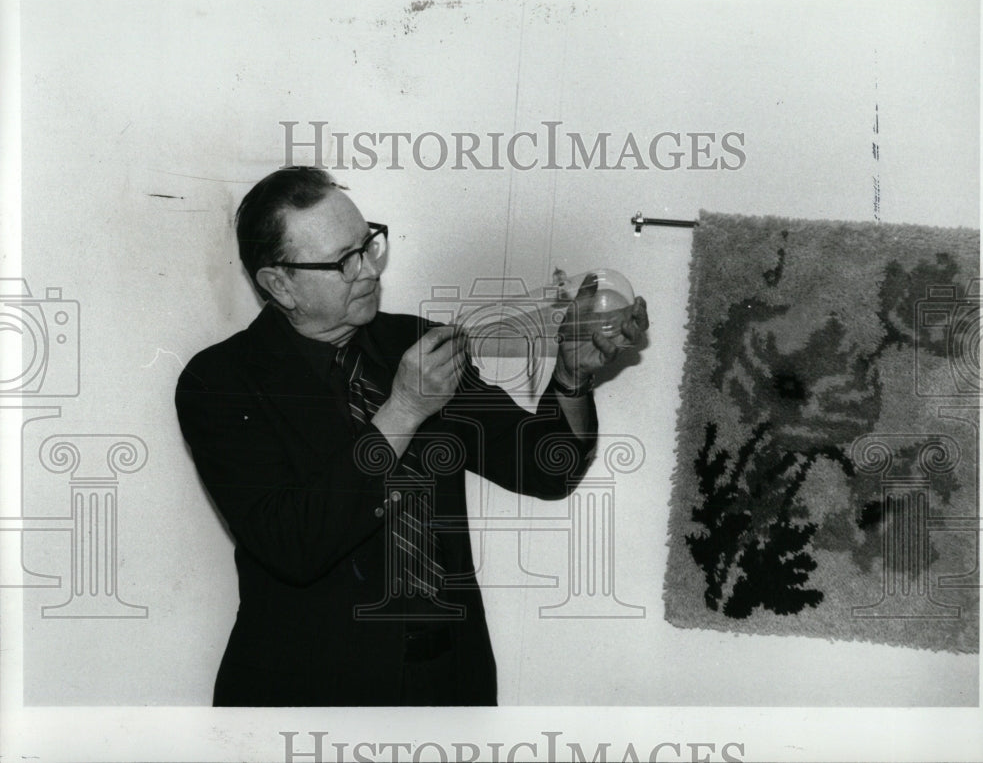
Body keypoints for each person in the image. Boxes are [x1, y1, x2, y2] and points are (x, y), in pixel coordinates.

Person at [175, 166, 649, 706]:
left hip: (446, 678)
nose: (369, 271)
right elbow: (294, 546)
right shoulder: (221, 383)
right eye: (342, 261)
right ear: (279, 283)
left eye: (368, 245)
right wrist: (402, 411)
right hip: (310, 691)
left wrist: (571, 372)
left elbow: (547, 469)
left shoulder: (413, 343)